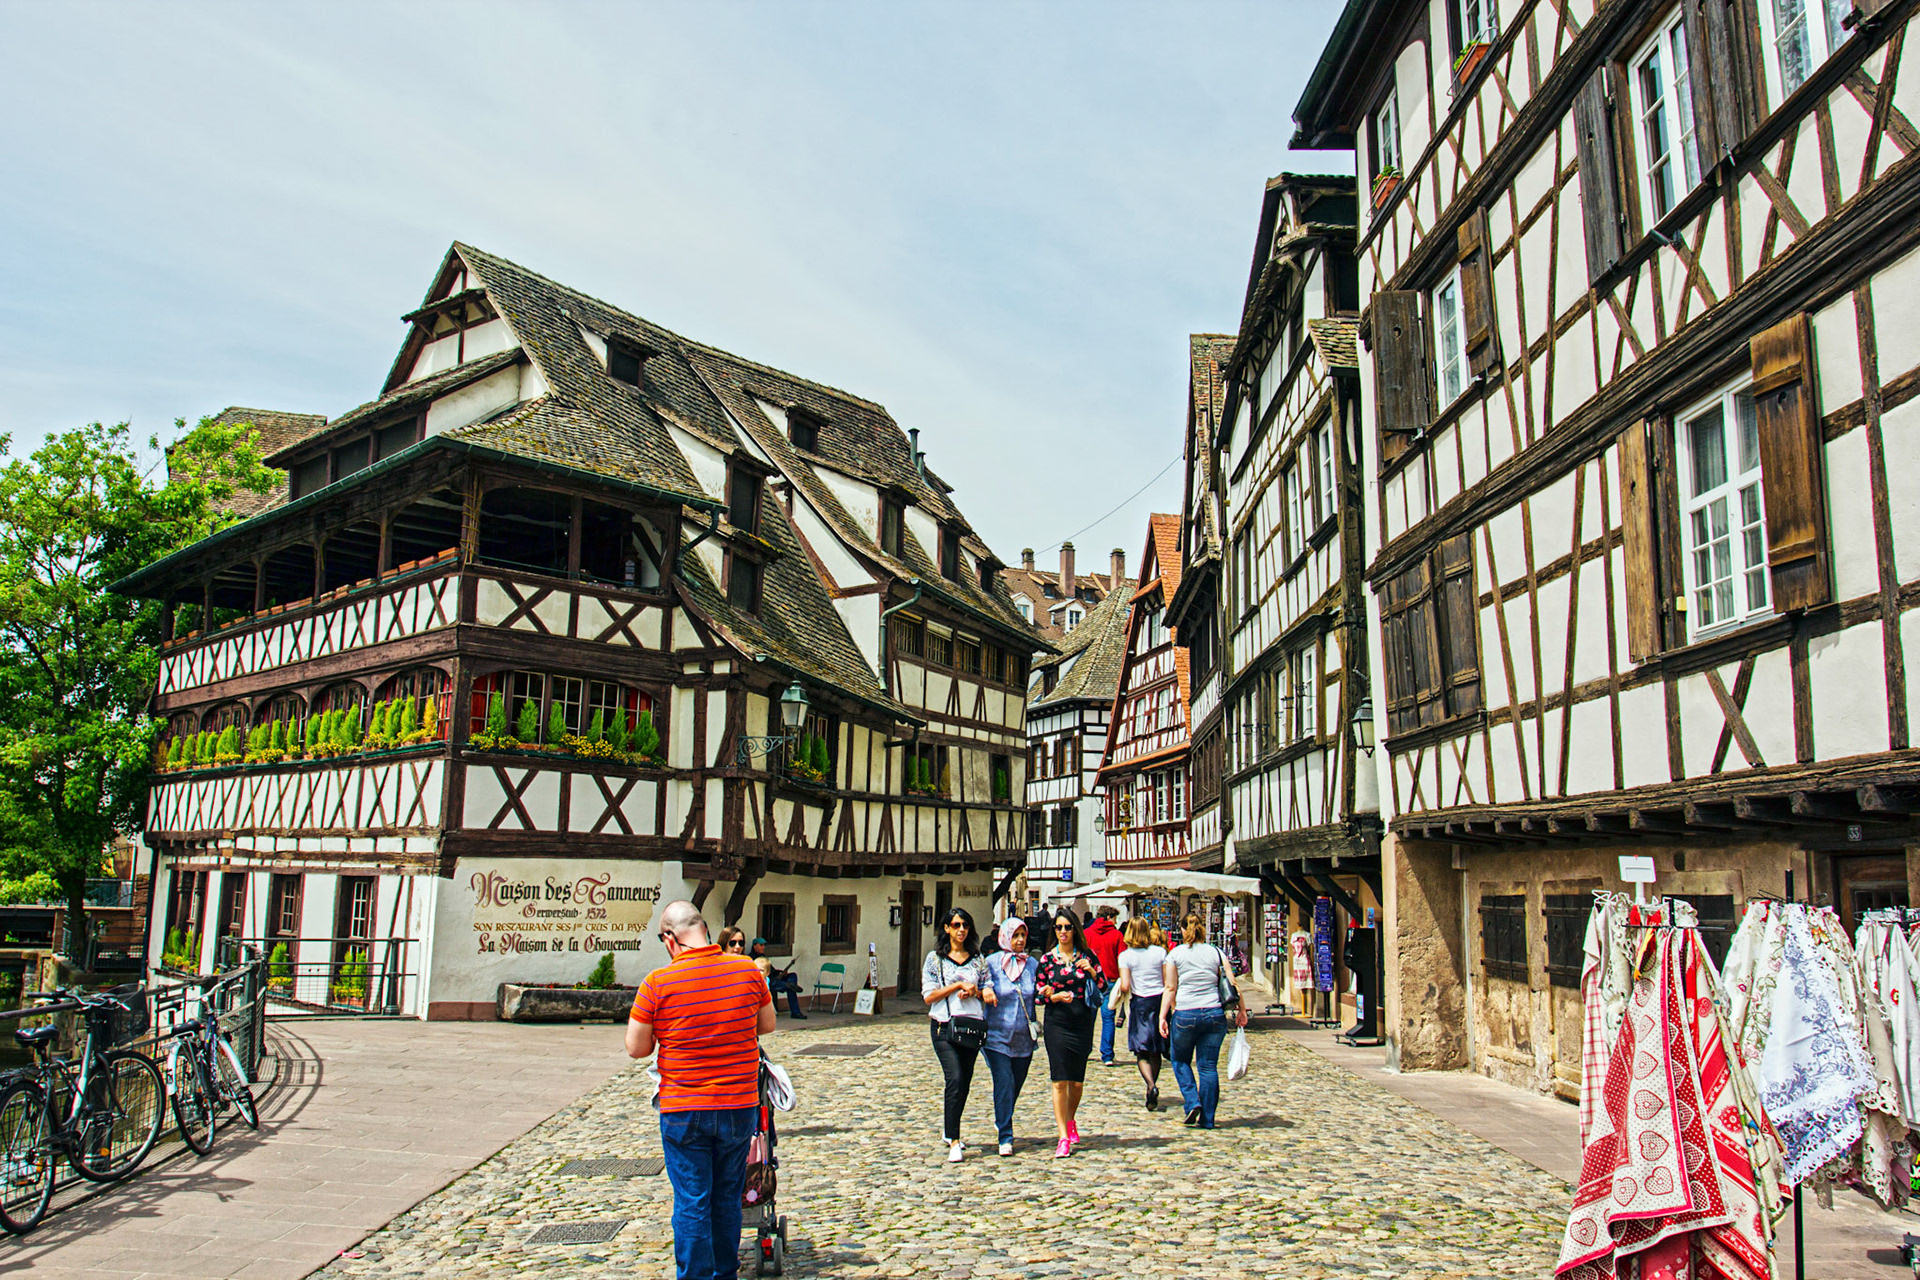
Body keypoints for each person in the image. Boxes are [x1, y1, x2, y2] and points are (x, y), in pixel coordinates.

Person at [625, 901, 775, 1280]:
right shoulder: (746, 971)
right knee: (726, 1198)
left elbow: (636, 1048)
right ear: (705, 929)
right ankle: (725, 1274)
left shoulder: (657, 984)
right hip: (738, 1104)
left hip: (684, 1106)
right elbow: (767, 1024)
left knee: (693, 1200)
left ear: (669, 939)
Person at [1157, 912, 1247, 1130]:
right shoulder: (1216, 952)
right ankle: (1208, 1119)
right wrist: (1242, 1010)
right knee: (1208, 1067)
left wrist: (1162, 1015)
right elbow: (1232, 982)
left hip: (1186, 1013)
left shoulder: (1175, 954)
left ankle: (1192, 1101)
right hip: (1214, 1014)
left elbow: (1170, 988)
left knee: (1179, 1061)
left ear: (1183, 930)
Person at [923, 906, 990, 1163]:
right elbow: (929, 996)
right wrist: (956, 986)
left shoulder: (977, 960)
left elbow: (988, 991)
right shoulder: (935, 960)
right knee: (955, 1077)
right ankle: (954, 1139)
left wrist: (975, 992)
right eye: (957, 925)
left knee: (965, 1083)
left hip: (970, 1027)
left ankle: (950, 1127)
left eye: (965, 925)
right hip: (943, 1027)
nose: (962, 930)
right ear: (947, 929)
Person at [1034, 909, 1100, 1157]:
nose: (1063, 932)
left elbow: (1102, 987)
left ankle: (1070, 1119)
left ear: (1075, 930)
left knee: (1077, 1082)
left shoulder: (1087, 956)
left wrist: (1092, 972)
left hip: (1082, 1022)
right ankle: (1063, 1136)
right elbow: (1038, 992)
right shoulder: (1047, 960)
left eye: (1067, 927)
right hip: (1057, 1023)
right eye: (1059, 927)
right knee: (1060, 1080)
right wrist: (1052, 994)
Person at [978, 916, 1037, 1157]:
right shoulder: (991, 962)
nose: (1020, 940)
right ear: (1005, 937)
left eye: (1023, 935)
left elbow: (1038, 989)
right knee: (1004, 1081)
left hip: (1024, 1037)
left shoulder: (1032, 964)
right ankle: (1006, 1136)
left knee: (1015, 1085)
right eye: (1016, 936)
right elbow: (979, 984)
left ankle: (1003, 1114)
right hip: (996, 1035)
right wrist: (985, 989)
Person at [1115, 916, 1169, 1110]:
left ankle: (1151, 1085)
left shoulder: (1126, 956)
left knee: (1142, 1050)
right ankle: (1152, 1087)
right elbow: (1166, 980)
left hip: (1140, 1003)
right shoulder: (1160, 952)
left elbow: (1125, 985)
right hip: (1159, 1002)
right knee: (1156, 1050)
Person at [1083, 905, 1125, 1066]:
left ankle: (1086, 1050)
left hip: (1091, 979)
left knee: (1089, 1018)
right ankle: (1107, 1055)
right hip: (1111, 980)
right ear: (1108, 918)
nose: (1115, 922)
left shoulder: (1086, 933)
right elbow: (1122, 958)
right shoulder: (1117, 935)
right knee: (1108, 1018)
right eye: (1114, 918)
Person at [749, 938, 807, 1019]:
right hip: (767, 982)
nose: (763, 947)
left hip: (775, 978)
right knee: (785, 987)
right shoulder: (751, 958)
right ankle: (789, 987)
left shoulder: (764, 957)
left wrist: (781, 972)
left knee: (792, 976)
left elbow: (771, 970)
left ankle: (790, 986)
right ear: (755, 946)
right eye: (761, 945)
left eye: (764, 945)